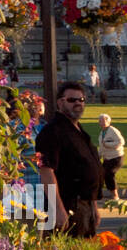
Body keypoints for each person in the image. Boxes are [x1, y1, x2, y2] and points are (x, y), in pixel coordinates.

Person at [36, 80, 103, 238]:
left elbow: (88, 169)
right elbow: (46, 172)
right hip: (67, 206)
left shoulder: (79, 130)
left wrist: (94, 206)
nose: (78, 103)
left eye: (81, 100)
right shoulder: (52, 131)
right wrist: (58, 209)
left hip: (85, 206)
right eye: (72, 100)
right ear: (60, 102)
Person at [97, 113, 125, 201]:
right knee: (102, 174)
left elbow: (121, 142)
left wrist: (109, 144)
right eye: (100, 120)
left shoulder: (113, 130)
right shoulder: (102, 133)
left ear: (108, 121)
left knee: (109, 173)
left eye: (104, 120)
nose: (102, 122)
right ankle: (103, 193)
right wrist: (97, 157)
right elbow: (101, 147)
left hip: (116, 157)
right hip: (107, 158)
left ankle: (115, 196)